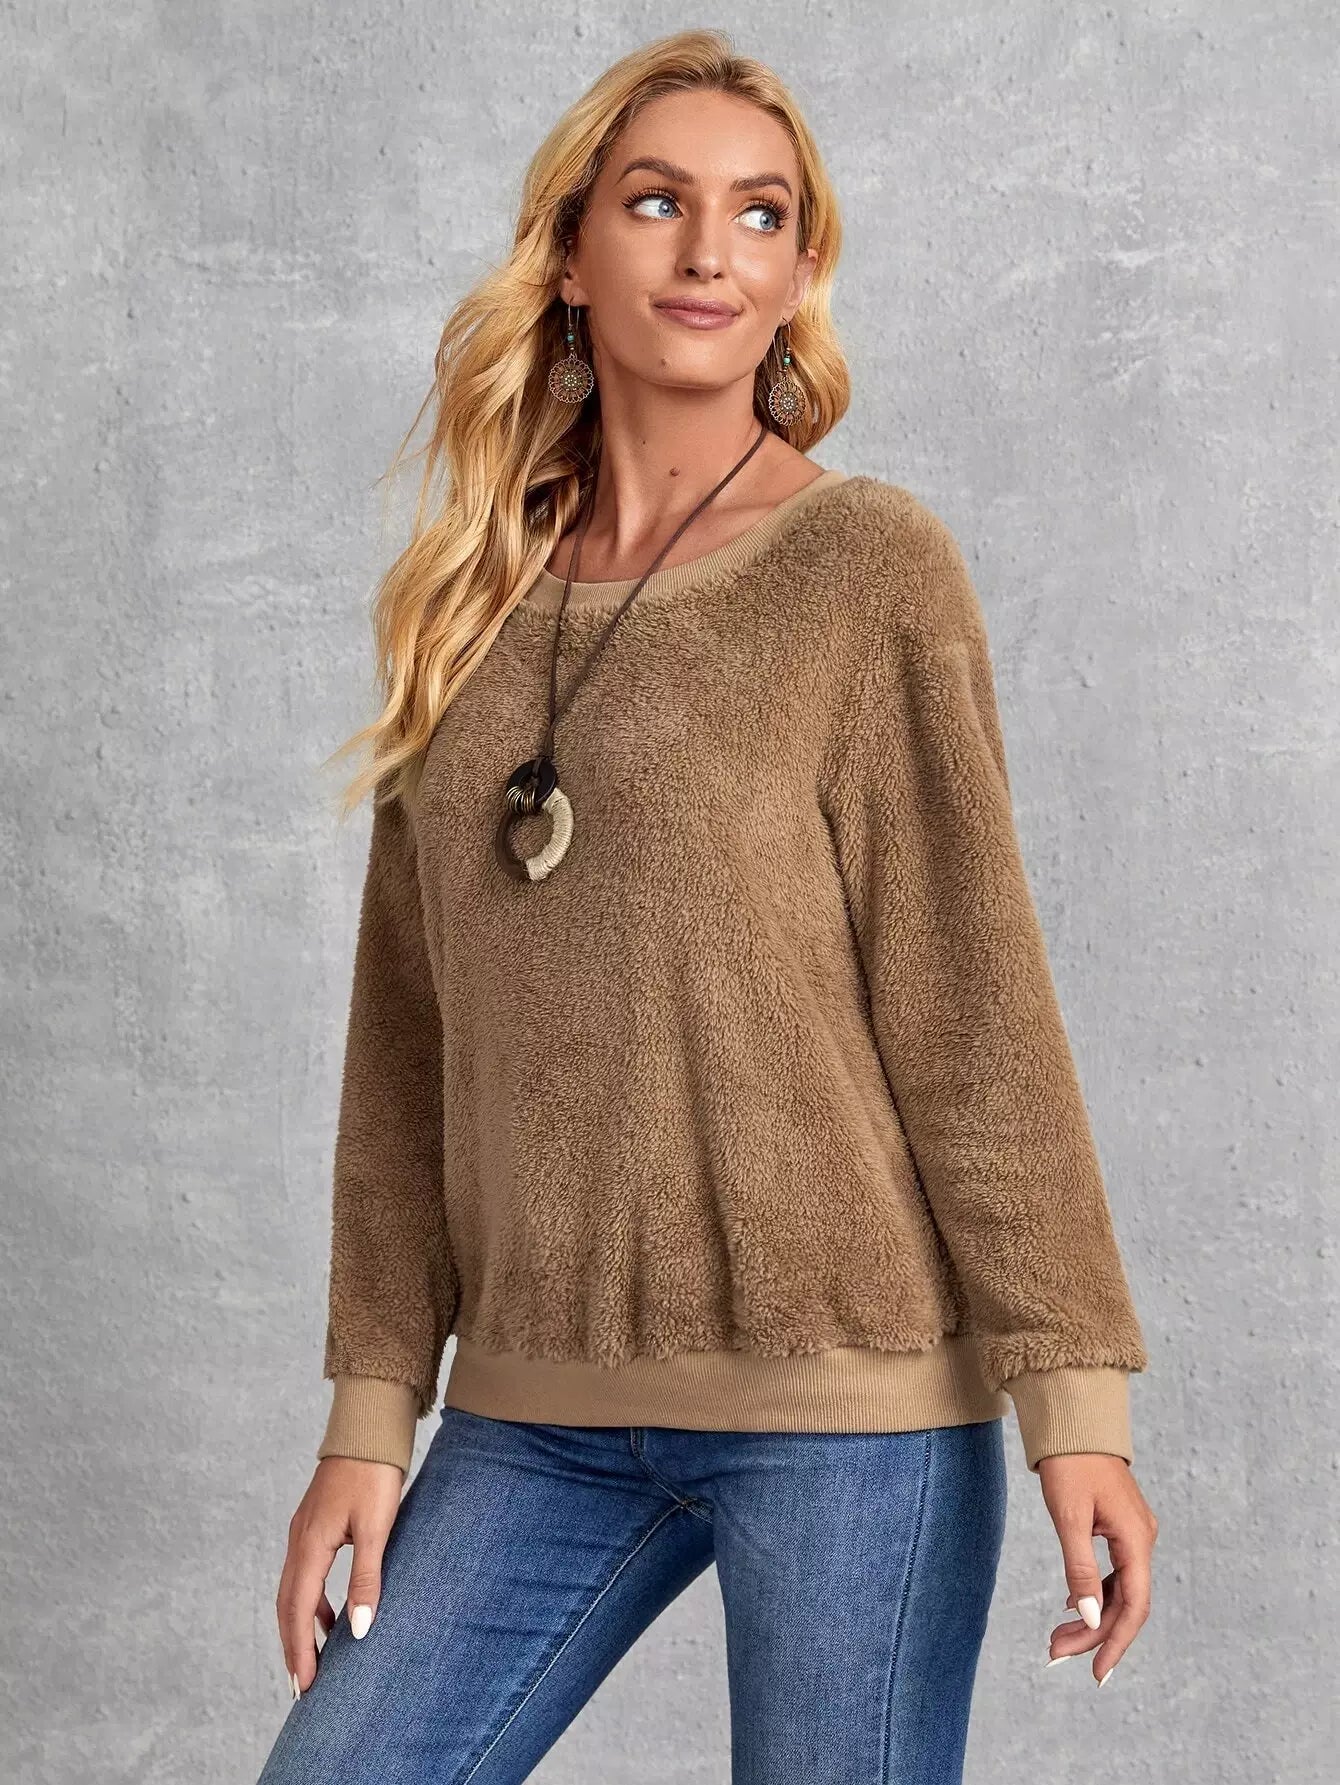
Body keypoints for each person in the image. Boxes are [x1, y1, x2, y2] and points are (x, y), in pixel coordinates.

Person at [258, 27, 1158, 1785]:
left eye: (761, 214)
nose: (709, 251)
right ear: (570, 252)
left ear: (801, 270)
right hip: (534, 1407)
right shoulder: (468, 605)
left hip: (853, 1414)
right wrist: (371, 1410)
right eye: (658, 202)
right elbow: (406, 1045)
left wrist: (1077, 1405)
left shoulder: (867, 568)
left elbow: (974, 1008)